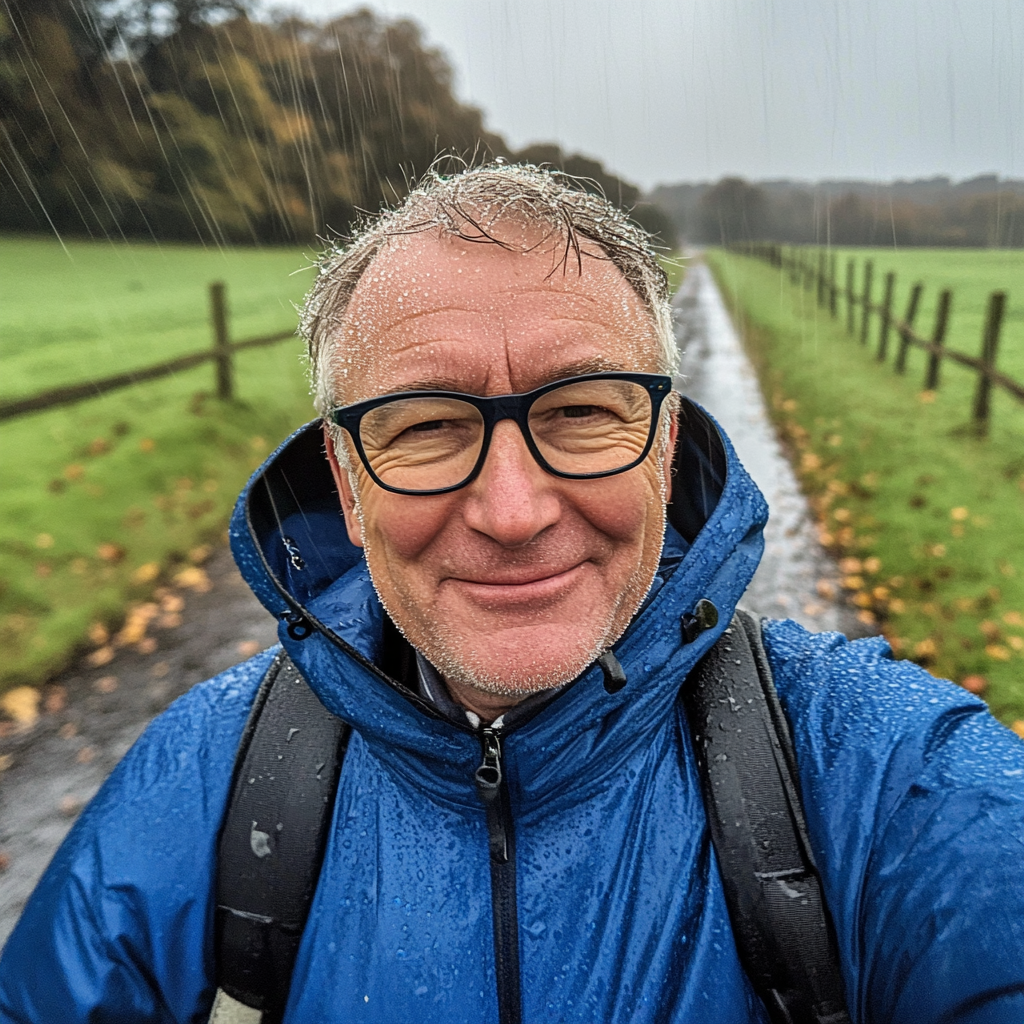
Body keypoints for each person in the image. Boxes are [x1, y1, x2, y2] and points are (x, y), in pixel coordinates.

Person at [2, 163, 1024, 1024]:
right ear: (347, 484)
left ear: (663, 448)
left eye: (580, 410)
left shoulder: (881, 768)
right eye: (426, 424)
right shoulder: (198, 784)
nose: (511, 510)